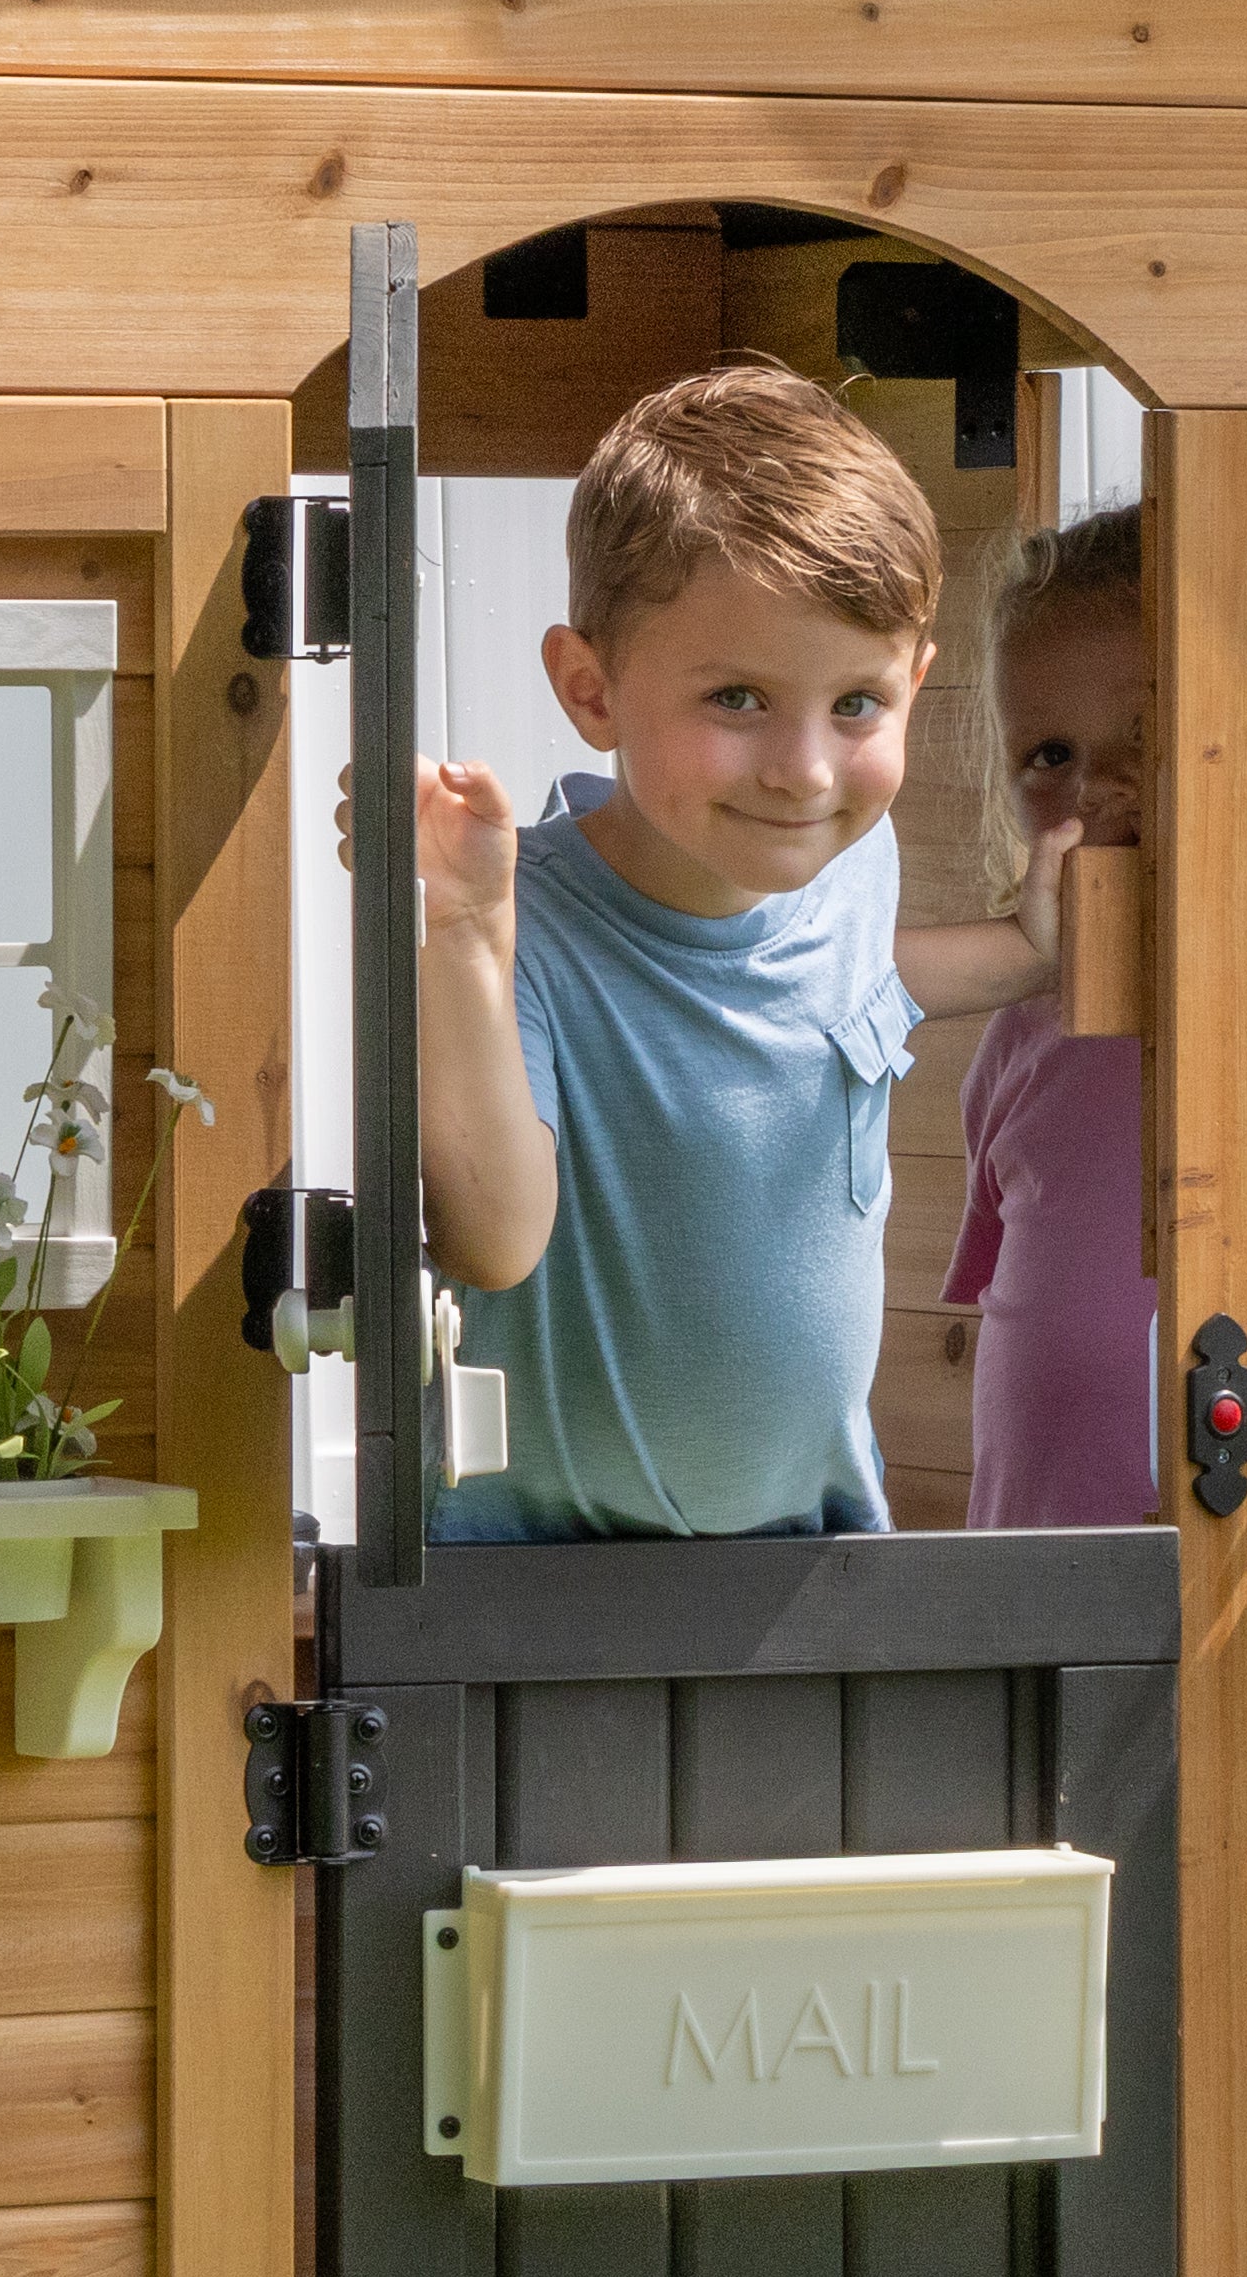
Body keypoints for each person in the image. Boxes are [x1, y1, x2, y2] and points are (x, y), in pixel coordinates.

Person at [389, 364, 1072, 1541]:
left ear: (914, 680)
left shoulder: (854, 868)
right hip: (548, 1586)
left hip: (808, 1563)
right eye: (740, 699)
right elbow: (492, 1235)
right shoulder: (526, 932)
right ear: (589, 689)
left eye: (856, 703)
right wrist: (465, 931)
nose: (804, 769)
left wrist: (1021, 949)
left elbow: (843, 998)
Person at [938, 504, 1160, 1527]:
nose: (1092, 788)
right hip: (1033, 1592)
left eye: (1146, 735)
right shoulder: (1026, 1033)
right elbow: (1014, 1329)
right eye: (1047, 753)